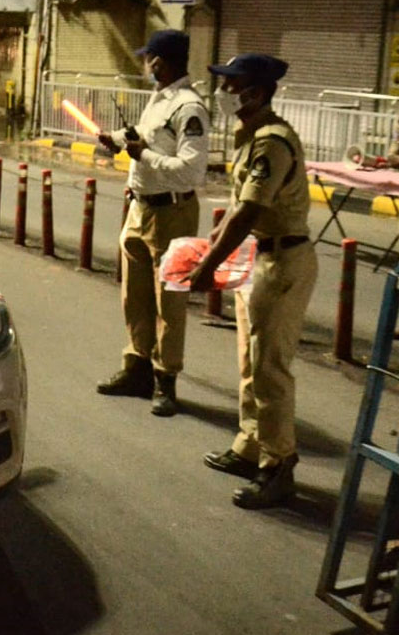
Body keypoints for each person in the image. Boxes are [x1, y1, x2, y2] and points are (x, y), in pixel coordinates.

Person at [188, 53, 317, 510]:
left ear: (255, 92)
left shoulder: (272, 143)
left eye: (231, 85)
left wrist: (208, 267)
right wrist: (210, 250)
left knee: (270, 369)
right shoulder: (251, 137)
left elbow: (248, 212)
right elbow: (236, 208)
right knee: (250, 359)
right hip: (262, 257)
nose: (223, 93)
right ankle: (249, 445)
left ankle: (278, 466)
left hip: (283, 262)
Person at [96, 29, 210, 417]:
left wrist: (142, 156)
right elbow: (144, 137)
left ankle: (166, 380)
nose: (146, 64)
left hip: (173, 214)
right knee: (135, 297)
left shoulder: (189, 108)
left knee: (169, 303)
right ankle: (137, 369)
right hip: (140, 209)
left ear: (160, 61)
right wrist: (115, 139)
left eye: (149, 58)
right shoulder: (158, 101)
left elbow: (190, 173)